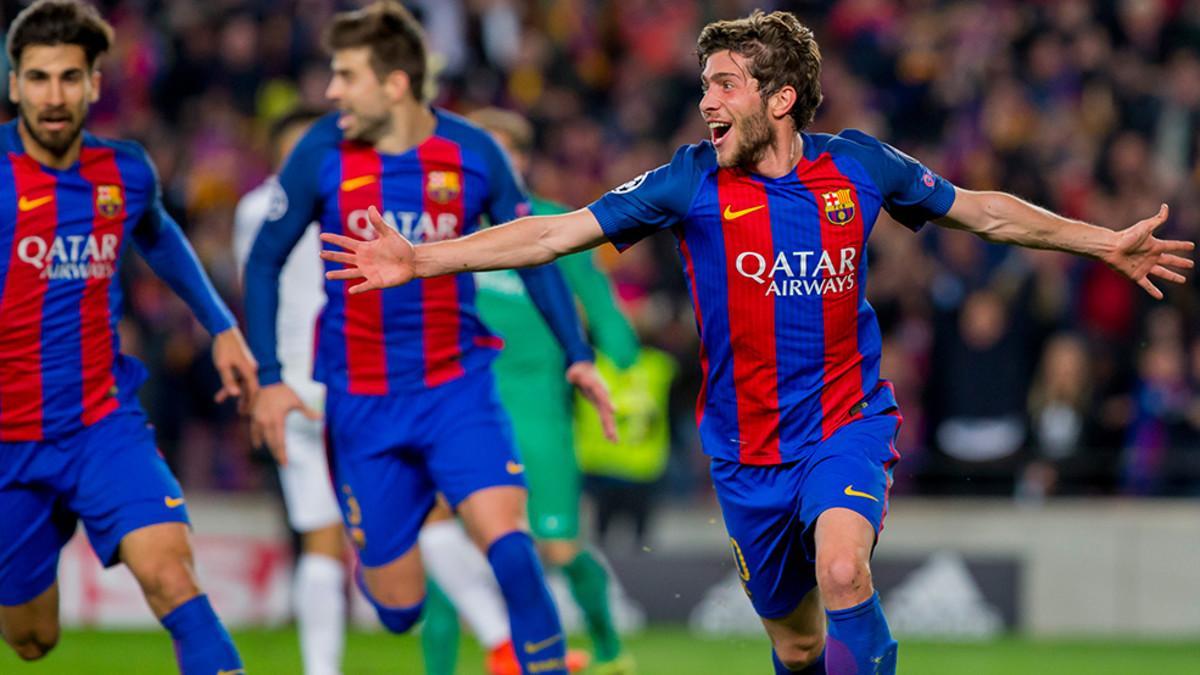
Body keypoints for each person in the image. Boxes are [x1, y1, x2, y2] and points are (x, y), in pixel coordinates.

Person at [318, 10, 1194, 675]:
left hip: (846, 423)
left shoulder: (859, 165)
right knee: (800, 637)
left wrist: (1101, 240)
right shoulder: (687, 182)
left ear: (779, 97)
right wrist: (422, 257)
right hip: (745, 454)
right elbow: (555, 234)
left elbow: (986, 211)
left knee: (844, 568)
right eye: (705, 84)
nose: (706, 101)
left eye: (725, 84)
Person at [243, 4, 615, 675]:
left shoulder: (474, 153)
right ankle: (393, 548)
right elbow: (264, 259)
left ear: (394, 83)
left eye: (345, 75)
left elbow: (534, 250)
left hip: (455, 385)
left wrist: (579, 356)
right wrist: (268, 374)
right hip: (359, 400)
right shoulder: (320, 152)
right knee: (398, 607)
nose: (331, 92)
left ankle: (546, 665)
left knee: (508, 538)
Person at [0, 2, 258, 673]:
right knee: (32, 640)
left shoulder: (126, 171)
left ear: (93, 83)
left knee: (172, 576)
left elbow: (159, 235)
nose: (52, 96)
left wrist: (223, 325)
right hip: (8, 438)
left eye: (67, 78)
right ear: (13, 85)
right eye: (36, 78)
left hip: (100, 422)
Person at [417, 107, 638, 675]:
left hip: (539, 408)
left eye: (503, 149)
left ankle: (610, 650)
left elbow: (599, 304)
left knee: (559, 545)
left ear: (520, 158)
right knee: (449, 540)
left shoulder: (550, 225)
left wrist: (620, 359)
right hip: (463, 405)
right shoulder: (446, 235)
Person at [232, 108, 344, 675]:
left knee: (321, 532)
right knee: (429, 520)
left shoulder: (253, 211)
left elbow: (253, 291)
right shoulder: (340, 197)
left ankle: (321, 668)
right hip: (339, 380)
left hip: (293, 385)